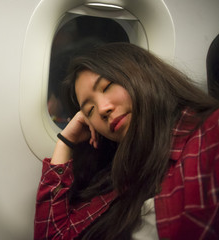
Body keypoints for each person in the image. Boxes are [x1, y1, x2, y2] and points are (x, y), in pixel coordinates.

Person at [34, 42, 219, 240]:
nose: (103, 109)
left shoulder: (209, 135)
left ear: (142, 73)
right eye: (90, 110)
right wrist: (65, 142)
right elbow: (54, 236)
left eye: (107, 86)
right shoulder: (122, 173)